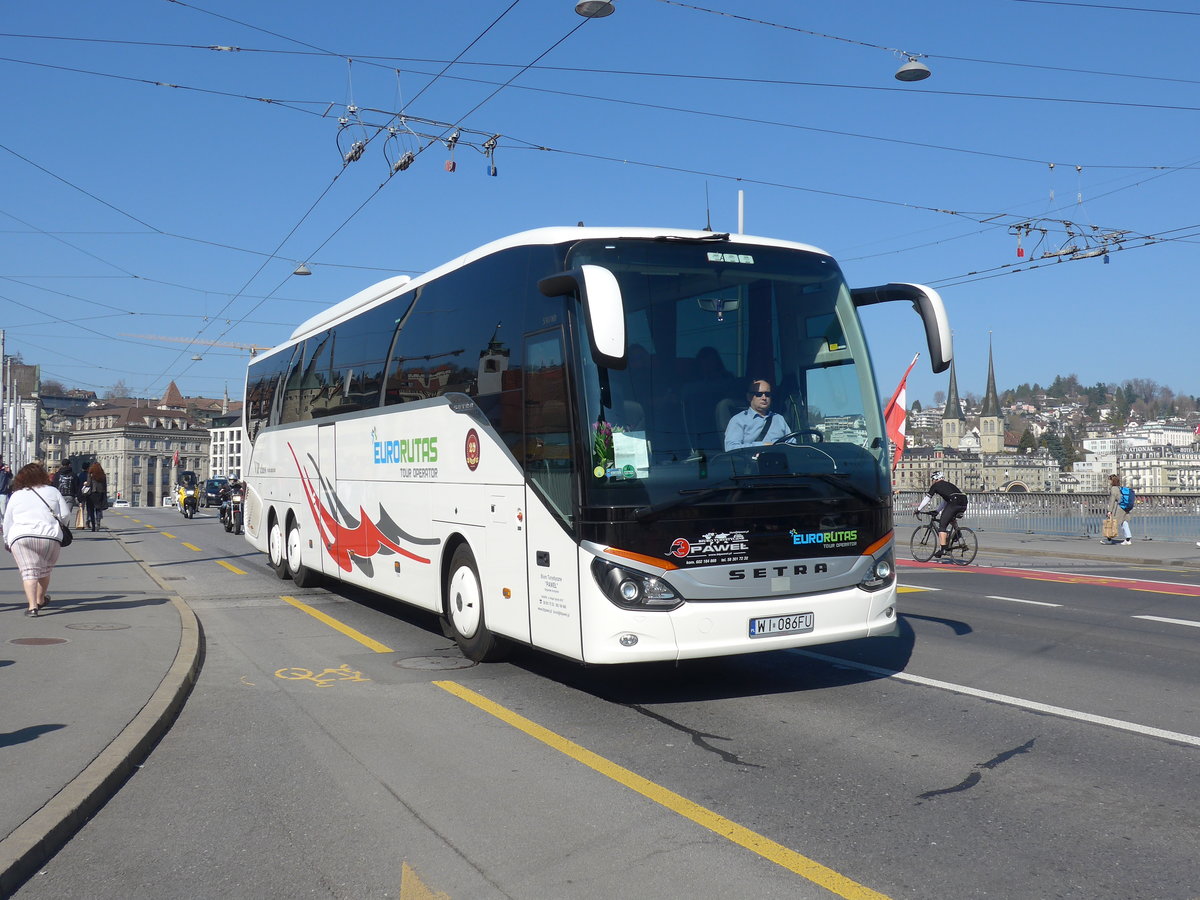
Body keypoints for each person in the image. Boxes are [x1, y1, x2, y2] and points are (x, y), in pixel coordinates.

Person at [3, 463, 71, 617]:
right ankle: (41, 599)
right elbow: (65, 514)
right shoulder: (53, 491)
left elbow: (8, 521)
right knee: (45, 570)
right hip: (49, 536)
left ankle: (32, 607)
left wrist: (7, 540)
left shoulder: (17, 495)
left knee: (28, 572)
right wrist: (57, 525)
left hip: (21, 537)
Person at [724, 378, 792, 450]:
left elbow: (792, 444)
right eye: (759, 394)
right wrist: (763, 445)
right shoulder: (738, 420)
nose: (764, 398)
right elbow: (731, 448)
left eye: (767, 394)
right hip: (751, 460)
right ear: (749, 397)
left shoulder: (779, 418)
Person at [916, 471, 969, 560]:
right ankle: (957, 535)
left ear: (936, 479)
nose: (932, 481)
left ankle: (943, 549)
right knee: (950, 518)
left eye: (932, 479)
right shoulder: (949, 484)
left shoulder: (936, 486)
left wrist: (918, 509)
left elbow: (927, 498)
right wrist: (937, 511)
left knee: (942, 525)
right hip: (963, 502)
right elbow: (945, 501)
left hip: (954, 502)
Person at [1105, 473, 1133, 546]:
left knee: (1113, 522)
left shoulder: (1113, 489)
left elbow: (1112, 500)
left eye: (1109, 480)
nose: (1108, 482)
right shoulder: (1120, 488)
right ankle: (1128, 539)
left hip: (1119, 508)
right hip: (1125, 506)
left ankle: (1109, 539)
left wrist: (1109, 511)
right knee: (1124, 522)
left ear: (1111, 481)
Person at [82, 461, 109, 532]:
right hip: (100, 493)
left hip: (92, 493)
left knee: (91, 510)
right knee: (98, 509)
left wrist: (85, 484)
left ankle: (93, 526)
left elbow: (88, 484)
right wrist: (105, 494)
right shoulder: (103, 475)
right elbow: (105, 486)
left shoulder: (90, 474)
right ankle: (98, 524)